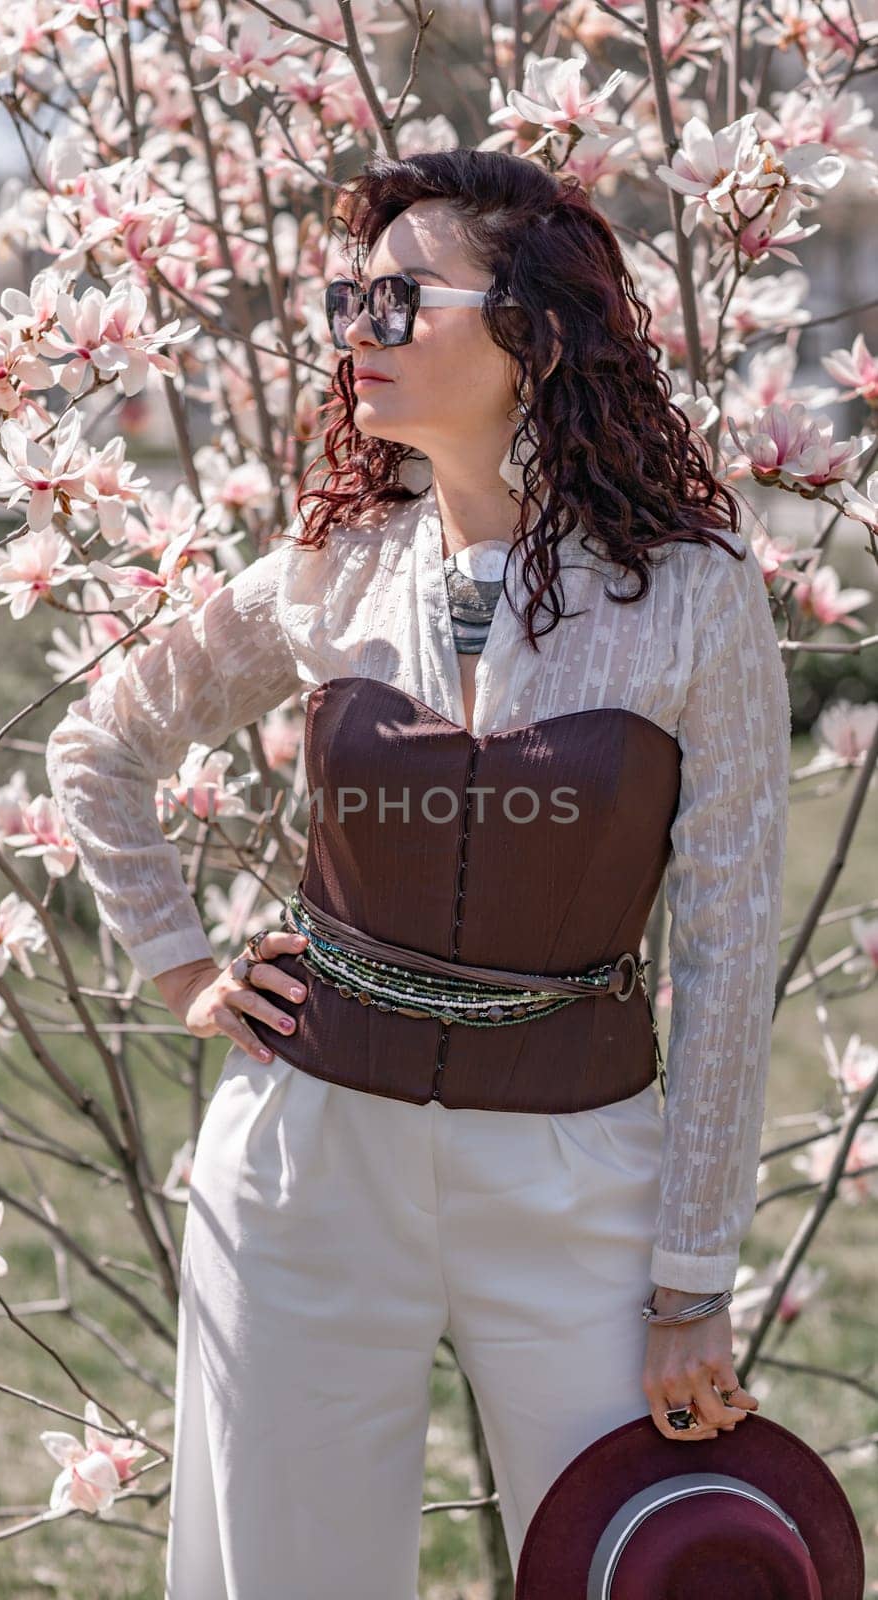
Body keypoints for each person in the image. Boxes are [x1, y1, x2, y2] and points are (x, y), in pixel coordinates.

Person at [44, 149, 792, 1599]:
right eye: (347, 300)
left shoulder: (696, 598)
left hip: (582, 1183)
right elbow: (101, 742)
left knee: (630, 1570)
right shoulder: (332, 572)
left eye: (399, 298)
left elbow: (729, 943)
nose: (356, 331)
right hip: (308, 1168)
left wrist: (692, 1277)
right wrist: (187, 972)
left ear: (537, 329)